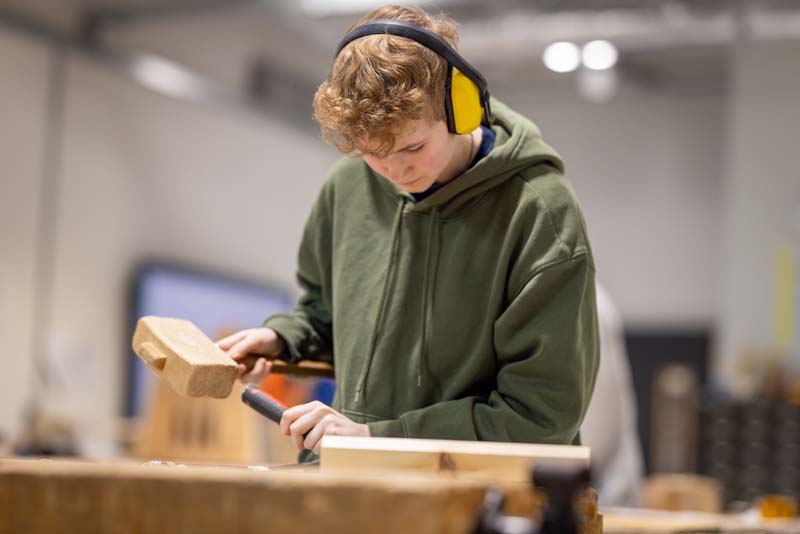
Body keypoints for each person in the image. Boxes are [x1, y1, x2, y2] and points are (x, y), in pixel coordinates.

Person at [217, 4, 599, 461]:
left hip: (473, 497)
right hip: (348, 478)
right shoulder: (348, 184)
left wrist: (380, 439)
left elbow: (542, 417)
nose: (396, 170)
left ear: (459, 108)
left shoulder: (538, 212)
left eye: (413, 147)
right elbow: (326, 310)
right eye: (373, 153)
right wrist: (286, 338)